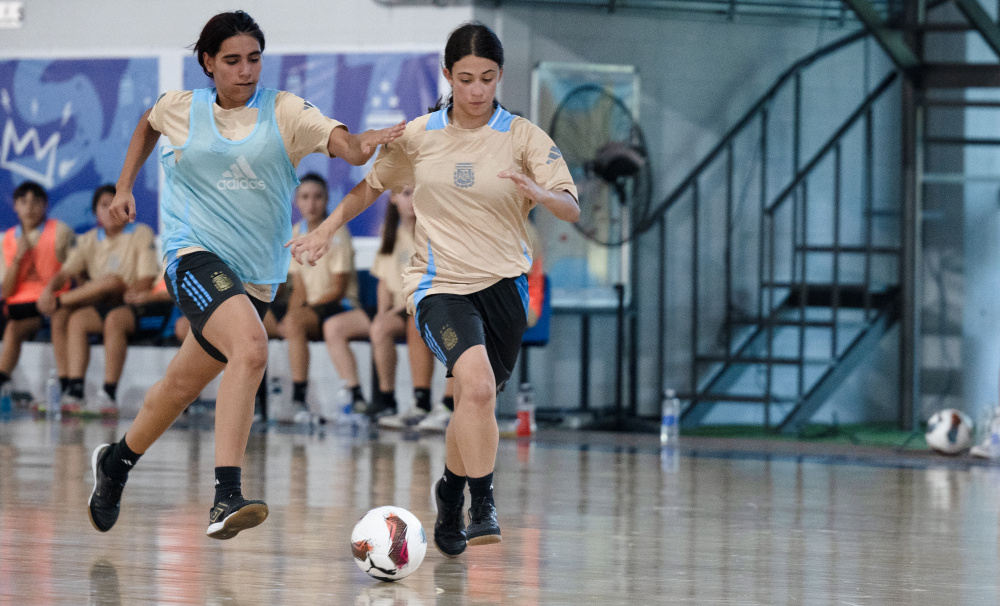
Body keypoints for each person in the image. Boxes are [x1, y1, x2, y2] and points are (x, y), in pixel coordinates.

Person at [87, 10, 403, 540]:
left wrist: (367, 141)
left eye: (254, 59)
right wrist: (124, 186)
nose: (245, 70)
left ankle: (115, 462)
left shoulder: (284, 111)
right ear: (208, 63)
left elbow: (347, 147)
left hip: (255, 278)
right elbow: (147, 123)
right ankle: (225, 495)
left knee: (179, 387)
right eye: (232, 60)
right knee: (253, 348)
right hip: (193, 256)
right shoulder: (182, 108)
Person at [288, 22, 578, 556]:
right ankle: (483, 504)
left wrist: (542, 193)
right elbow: (369, 187)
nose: (476, 90)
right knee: (478, 387)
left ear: (500, 76)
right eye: (465, 78)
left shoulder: (523, 137)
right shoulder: (420, 134)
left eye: (487, 78)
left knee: (472, 400)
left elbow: (571, 206)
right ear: (447, 75)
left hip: (505, 286)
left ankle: (449, 490)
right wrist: (325, 230)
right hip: (439, 285)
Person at [37, 185, 161, 414]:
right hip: (100, 302)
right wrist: (48, 290)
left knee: (111, 283)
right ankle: (72, 390)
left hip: (132, 302)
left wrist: (131, 291)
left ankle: (108, 395)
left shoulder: (140, 232)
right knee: (72, 319)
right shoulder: (88, 239)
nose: (111, 209)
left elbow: (145, 281)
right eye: (104, 205)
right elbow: (64, 273)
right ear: (96, 212)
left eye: (115, 203)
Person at [278, 173, 369, 423]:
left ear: (327, 199)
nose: (312, 203)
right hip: (313, 308)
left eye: (317, 197)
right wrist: (292, 315)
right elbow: (298, 288)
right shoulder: (296, 232)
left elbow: (339, 289)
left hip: (339, 305)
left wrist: (301, 314)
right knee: (286, 323)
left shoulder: (336, 231)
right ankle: (290, 401)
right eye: (305, 197)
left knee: (297, 322)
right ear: (296, 201)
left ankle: (304, 397)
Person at [371, 186, 438, 430]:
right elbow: (383, 280)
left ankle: (422, 400)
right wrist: (382, 312)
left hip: (425, 304)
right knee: (379, 328)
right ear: (393, 198)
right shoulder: (390, 235)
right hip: (401, 307)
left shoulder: (432, 233)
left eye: (417, 193)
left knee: (416, 319)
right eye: (407, 194)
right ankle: (387, 400)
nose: (412, 200)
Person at [0, 181, 75, 392]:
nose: (30, 207)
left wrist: (51, 290)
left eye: (36, 202)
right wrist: (18, 258)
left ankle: (67, 384)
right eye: (24, 202)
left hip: (55, 302)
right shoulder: (7, 239)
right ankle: (2, 379)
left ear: (45, 205)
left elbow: (74, 269)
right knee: (12, 328)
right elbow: (7, 291)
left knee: (59, 320)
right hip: (23, 308)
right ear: (15, 206)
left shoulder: (60, 231)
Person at [97, 274, 178, 416]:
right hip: (153, 301)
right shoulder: (166, 263)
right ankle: (92, 390)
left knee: (116, 319)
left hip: (171, 309)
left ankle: (185, 399)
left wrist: (153, 297)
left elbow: (188, 290)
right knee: (111, 318)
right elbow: (151, 279)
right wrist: (134, 292)